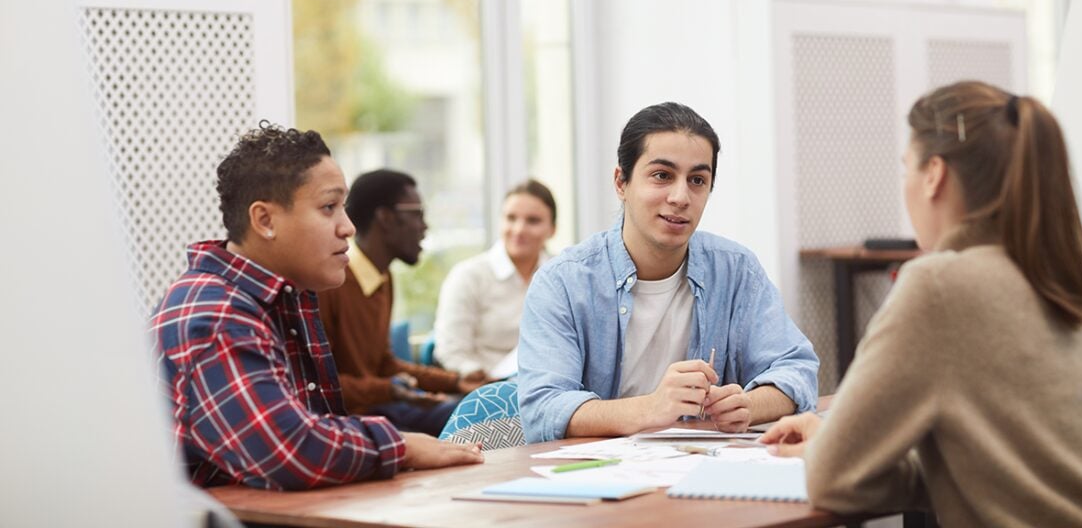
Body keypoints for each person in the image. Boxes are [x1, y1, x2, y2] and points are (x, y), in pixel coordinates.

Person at [761, 81, 1082, 527]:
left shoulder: (940, 285)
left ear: (934, 174)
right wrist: (832, 445)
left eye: (907, 168)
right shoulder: (1068, 281)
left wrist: (828, 451)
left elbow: (831, 479)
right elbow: (1023, 466)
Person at [151, 124, 482, 491]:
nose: (348, 228)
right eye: (328, 208)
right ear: (265, 220)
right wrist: (402, 445)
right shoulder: (215, 315)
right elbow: (288, 449)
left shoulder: (285, 297)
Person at [518, 102, 819, 443]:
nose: (680, 197)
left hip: (705, 471)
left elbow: (797, 370)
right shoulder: (562, 282)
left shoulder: (735, 270)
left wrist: (749, 405)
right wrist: (651, 409)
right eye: (662, 176)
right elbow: (544, 409)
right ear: (621, 182)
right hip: (599, 479)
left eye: (697, 181)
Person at [318, 169, 489, 437]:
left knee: (483, 412)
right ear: (386, 218)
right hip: (351, 420)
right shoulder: (330, 284)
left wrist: (456, 381)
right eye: (417, 214)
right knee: (465, 428)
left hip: (384, 407)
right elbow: (320, 385)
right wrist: (389, 389)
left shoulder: (382, 277)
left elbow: (384, 363)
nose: (425, 227)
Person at [433, 179, 557, 377]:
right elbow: (451, 350)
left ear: (552, 229)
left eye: (533, 221)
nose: (519, 230)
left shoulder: (563, 275)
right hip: (485, 389)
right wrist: (476, 375)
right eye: (510, 218)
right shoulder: (468, 276)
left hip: (549, 388)